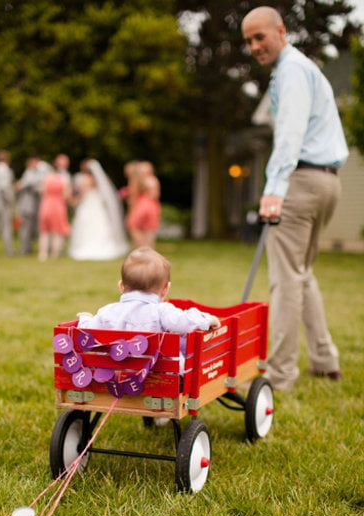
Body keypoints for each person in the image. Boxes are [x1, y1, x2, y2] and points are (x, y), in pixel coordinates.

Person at [241, 6, 348, 391]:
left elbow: (288, 133)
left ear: (281, 31)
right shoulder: (300, 68)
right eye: (248, 41)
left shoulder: (292, 71)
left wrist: (273, 188)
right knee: (301, 274)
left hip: (302, 181)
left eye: (260, 37)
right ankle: (325, 359)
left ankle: (281, 374)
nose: (254, 46)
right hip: (326, 183)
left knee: (285, 279)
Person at [77, 246, 221, 366]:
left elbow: (87, 331)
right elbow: (185, 321)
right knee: (184, 343)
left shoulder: (107, 312)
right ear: (165, 289)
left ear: (121, 286)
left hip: (114, 375)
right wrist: (207, 319)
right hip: (159, 376)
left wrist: (85, 318)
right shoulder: (161, 311)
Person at [68, 159, 129, 261]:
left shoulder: (86, 179)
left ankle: (85, 246)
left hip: (88, 205)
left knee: (86, 225)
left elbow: (82, 194)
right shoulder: (99, 181)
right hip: (97, 206)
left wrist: (74, 201)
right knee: (99, 225)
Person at [16, 155, 51, 255]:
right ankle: (24, 249)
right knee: (25, 229)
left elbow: (27, 184)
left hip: (36, 206)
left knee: (33, 229)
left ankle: (30, 248)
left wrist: (21, 184)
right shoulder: (29, 172)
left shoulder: (39, 172)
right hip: (27, 206)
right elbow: (27, 184)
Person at [38, 161, 72, 261]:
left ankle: (43, 254)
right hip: (58, 206)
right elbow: (66, 195)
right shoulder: (63, 180)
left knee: (44, 231)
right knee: (56, 231)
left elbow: (42, 192)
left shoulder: (46, 179)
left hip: (46, 205)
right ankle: (54, 253)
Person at [126, 173, 161, 248]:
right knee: (147, 229)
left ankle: (143, 248)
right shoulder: (151, 180)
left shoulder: (136, 181)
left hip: (142, 205)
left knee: (133, 226)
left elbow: (133, 197)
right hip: (151, 205)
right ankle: (146, 249)